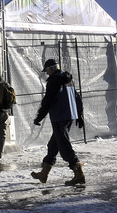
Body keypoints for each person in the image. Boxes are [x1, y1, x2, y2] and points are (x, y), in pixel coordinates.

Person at [31, 58, 85, 186]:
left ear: (51, 69)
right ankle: (44, 173)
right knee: (53, 145)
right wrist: (79, 114)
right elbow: (76, 97)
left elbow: (48, 100)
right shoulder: (69, 79)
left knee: (64, 146)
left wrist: (40, 116)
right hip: (69, 115)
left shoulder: (54, 81)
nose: (47, 74)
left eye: (47, 71)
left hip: (59, 117)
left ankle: (78, 173)